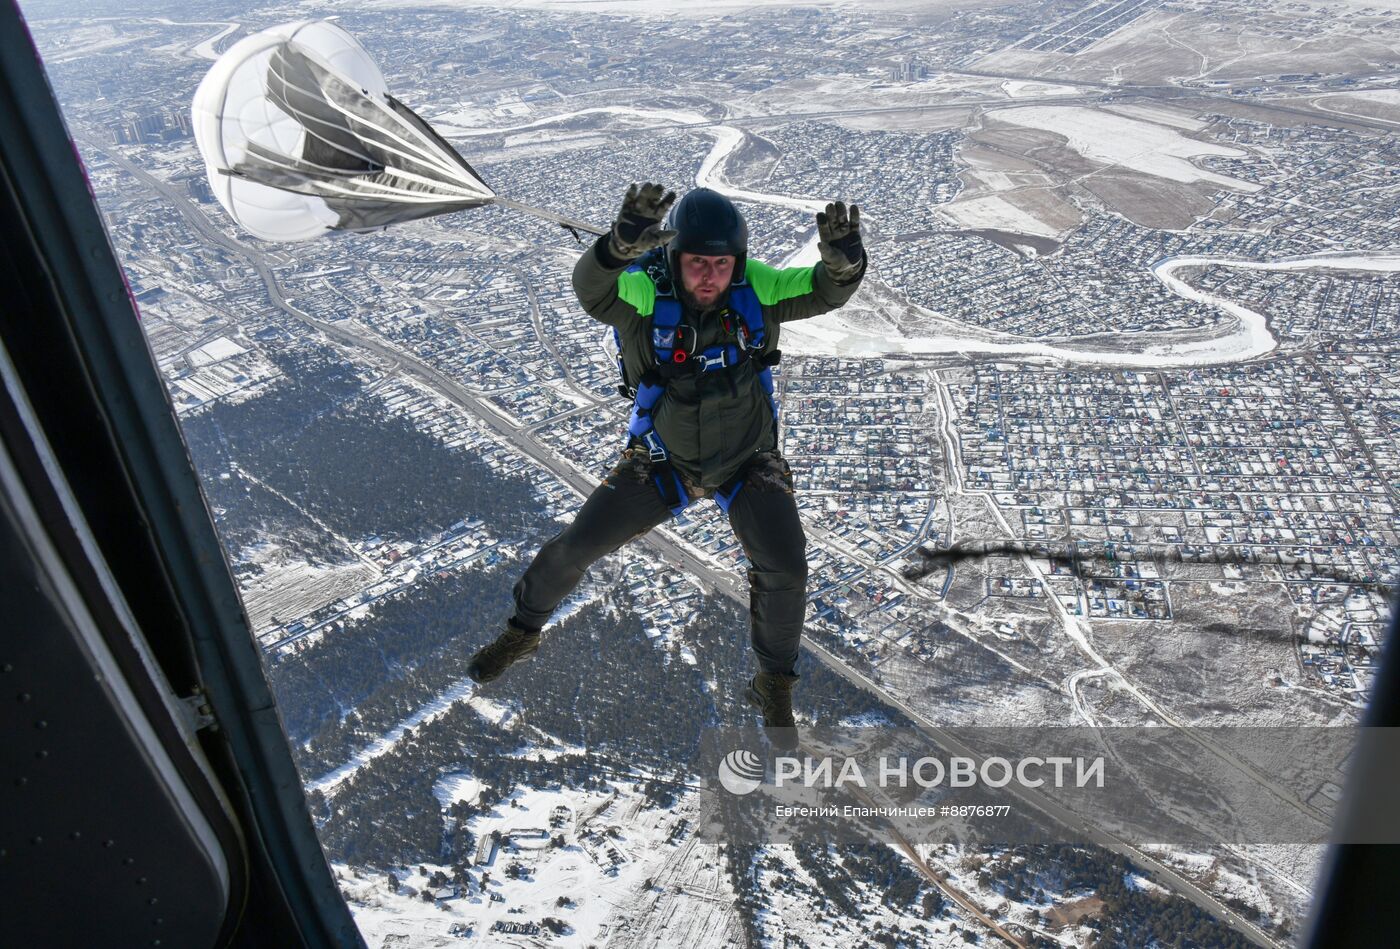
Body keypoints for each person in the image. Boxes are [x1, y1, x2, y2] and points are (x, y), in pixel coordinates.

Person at [468, 182, 867, 743]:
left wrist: (845, 263)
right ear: (673, 259)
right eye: (697, 263)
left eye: (721, 264)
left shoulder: (759, 287)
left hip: (748, 459)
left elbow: (823, 290)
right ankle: (523, 631)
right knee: (577, 546)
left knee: (786, 568)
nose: (709, 276)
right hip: (663, 460)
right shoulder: (644, 294)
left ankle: (774, 683)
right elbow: (593, 289)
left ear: (738, 263)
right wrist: (616, 247)